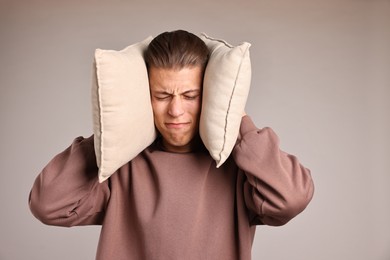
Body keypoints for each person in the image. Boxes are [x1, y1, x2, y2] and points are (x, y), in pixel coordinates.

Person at [29, 30, 314, 260]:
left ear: (210, 95)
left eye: (190, 95)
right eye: (162, 95)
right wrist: (111, 131)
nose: (176, 111)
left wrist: (238, 119)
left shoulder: (237, 167)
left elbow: (290, 199)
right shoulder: (121, 166)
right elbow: (49, 205)